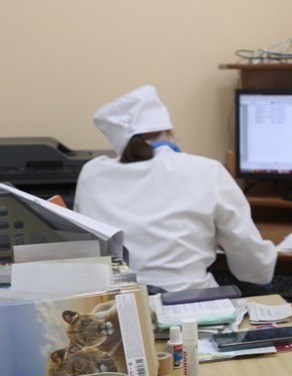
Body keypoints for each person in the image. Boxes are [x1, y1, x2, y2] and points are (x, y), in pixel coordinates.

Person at [75, 85, 277, 292]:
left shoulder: (91, 173)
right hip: (190, 300)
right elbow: (251, 259)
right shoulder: (206, 170)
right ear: (169, 133)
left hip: (117, 301)